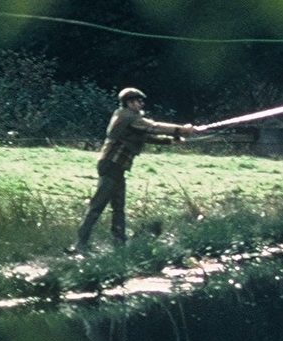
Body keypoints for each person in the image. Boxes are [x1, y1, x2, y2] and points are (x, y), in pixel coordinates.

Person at [73, 87, 203, 252]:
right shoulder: (127, 116)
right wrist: (181, 129)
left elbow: (146, 136)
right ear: (130, 103)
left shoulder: (130, 118)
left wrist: (170, 141)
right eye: (139, 101)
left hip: (117, 166)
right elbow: (153, 127)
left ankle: (119, 244)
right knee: (97, 206)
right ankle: (80, 244)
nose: (142, 104)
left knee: (118, 208)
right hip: (111, 164)